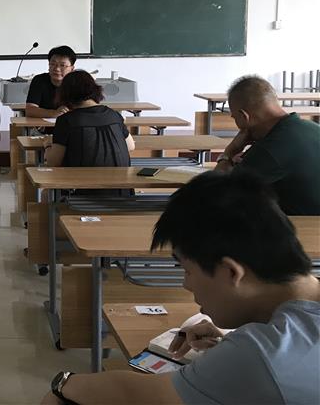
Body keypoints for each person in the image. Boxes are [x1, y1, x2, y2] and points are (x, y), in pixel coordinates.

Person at [42, 172, 320, 405]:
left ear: (231, 272)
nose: (185, 283)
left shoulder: (259, 356)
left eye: (187, 270)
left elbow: (137, 395)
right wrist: (230, 344)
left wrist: (63, 384)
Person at [217, 75, 320, 215]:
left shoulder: (268, 149)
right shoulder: (313, 127)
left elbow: (215, 192)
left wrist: (228, 153)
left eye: (235, 117)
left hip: (306, 226)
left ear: (244, 116)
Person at [45, 70, 135, 169]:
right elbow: (130, 146)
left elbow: (53, 162)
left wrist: (48, 146)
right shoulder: (114, 115)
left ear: (65, 93)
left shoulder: (66, 120)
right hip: (121, 177)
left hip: (81, 178)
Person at [25, 45, 77, 119]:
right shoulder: (39, 80)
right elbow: (30, 110)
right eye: (53, 64)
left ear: (72, 68)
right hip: (44, 125)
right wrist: (54, 113)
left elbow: (87, 109)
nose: (57, 69)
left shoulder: (78, 82)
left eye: (62, 65)